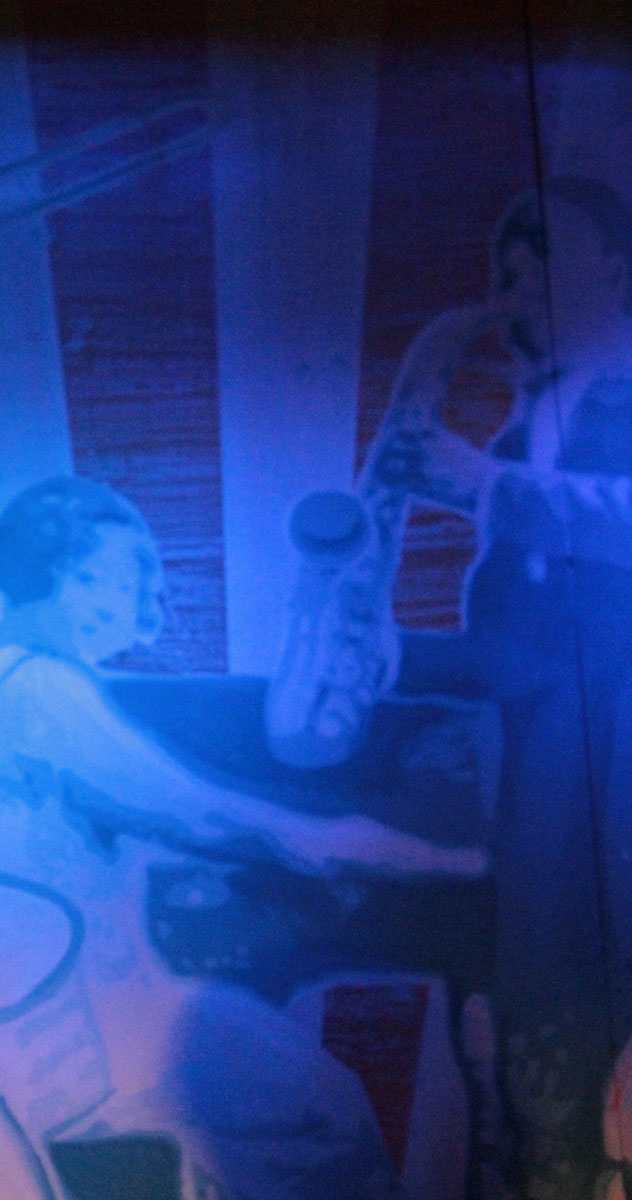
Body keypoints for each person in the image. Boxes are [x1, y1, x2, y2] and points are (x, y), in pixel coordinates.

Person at [0, 476, 484, 1198]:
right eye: (122, 575)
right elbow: (211, 816)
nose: (140, 595)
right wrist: (426, 858)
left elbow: (8, 828)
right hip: (64, 1035)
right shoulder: (40, 692)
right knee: (327, 1108)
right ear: (72, 576)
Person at [367, 176, 632, 1200]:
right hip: (548, 765)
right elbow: (527, 639)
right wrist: (391, 652)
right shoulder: (538, 416)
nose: (515, 284)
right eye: (505, 267)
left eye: (542, 260)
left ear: (617, 270)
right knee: (539, 1003)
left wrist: (482, 484)